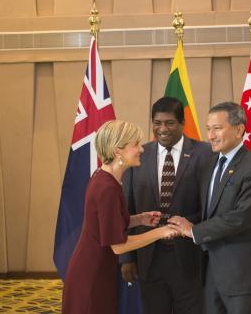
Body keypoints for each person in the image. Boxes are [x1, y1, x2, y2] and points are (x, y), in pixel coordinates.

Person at [62, 120, 178, 314]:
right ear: (117, 151)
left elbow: (105, 223)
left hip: (95, 268)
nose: (141, 149)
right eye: (135, 144)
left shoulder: (104, 177)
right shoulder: (107, 188)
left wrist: (138, 219)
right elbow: (119, 245)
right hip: (92, 274)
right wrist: (161, 231)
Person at [169, 102, 251, 314]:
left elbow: (240, 217)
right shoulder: (210, 164)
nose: (210, 136)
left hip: (242, 278)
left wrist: (194, 231)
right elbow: (210, 212)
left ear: (239, 129)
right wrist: (179, 223)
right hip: (211, 275)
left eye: (217, 128)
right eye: (208, 128)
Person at [120, 97, 212, 314]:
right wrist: (126, 258)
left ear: (182, 123)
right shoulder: (139, 155)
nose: (162, 129)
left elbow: (211, 206)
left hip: (190, 257)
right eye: (157, 123)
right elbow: (127, 208)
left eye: (169, 123)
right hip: (148, 258)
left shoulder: (205, 153)